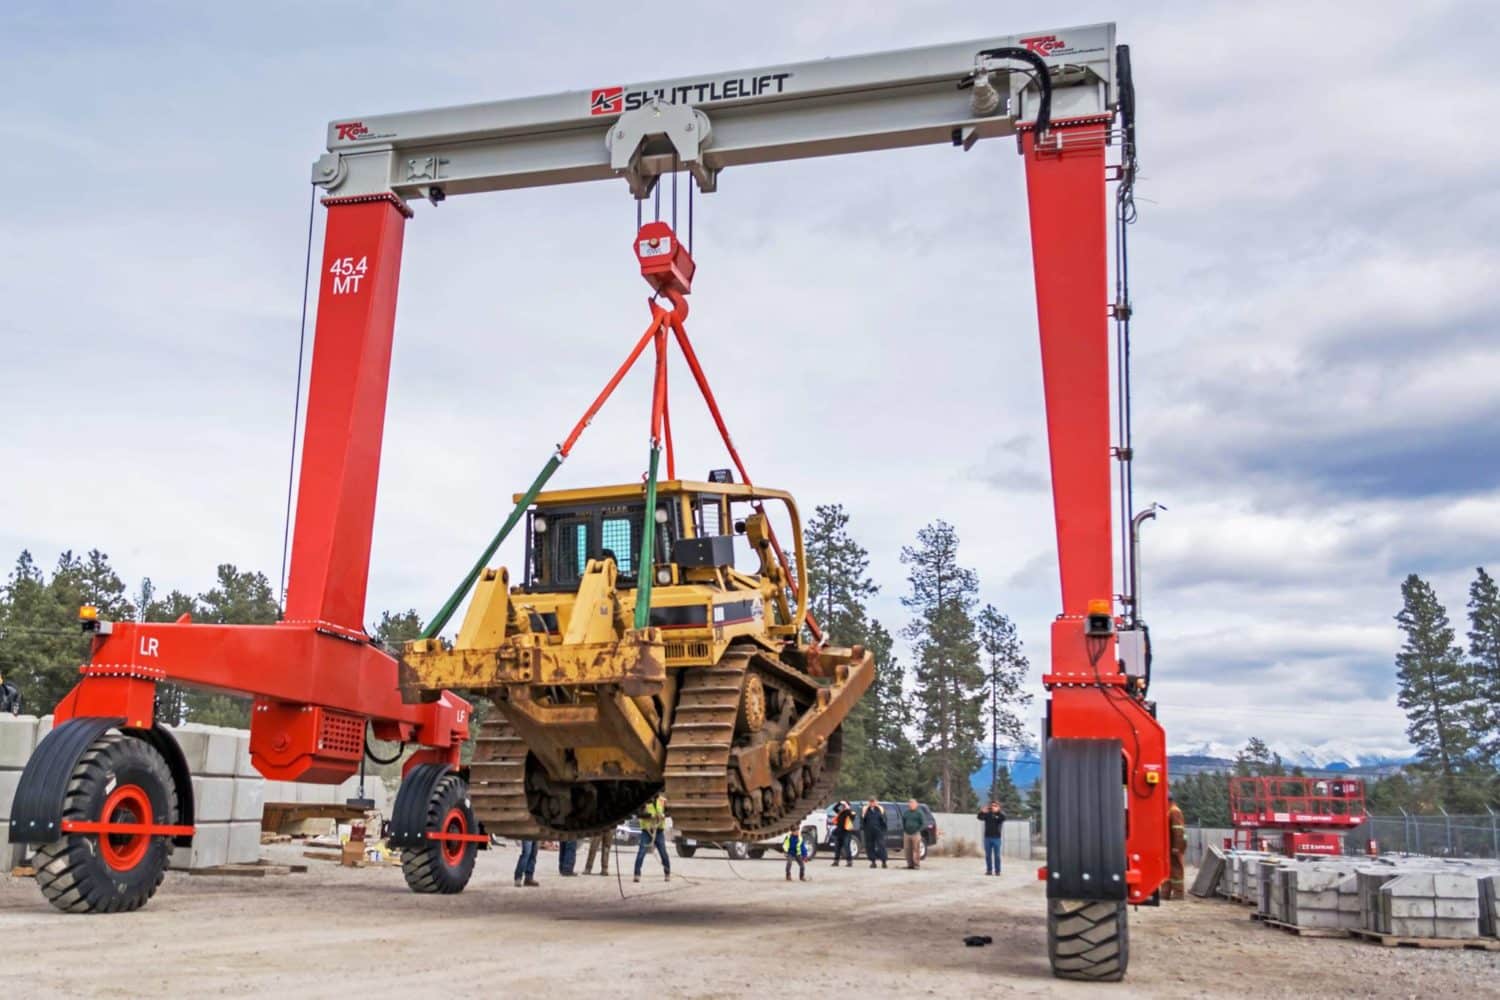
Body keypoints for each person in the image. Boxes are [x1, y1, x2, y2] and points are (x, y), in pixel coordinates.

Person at [634, 792, 671, 882]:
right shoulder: (644, 801)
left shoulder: (662, 801)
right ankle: (637, 874)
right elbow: (638, 814)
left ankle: (667, 873)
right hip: (647, 831)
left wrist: (663, 815)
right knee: (641, 852)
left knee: (663, 853)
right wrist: (650, 816)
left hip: (658, 831)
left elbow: (669, 812)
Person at [978, 800, 1007, 876]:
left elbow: (1003, 818)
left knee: (997, 855)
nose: (993, 807)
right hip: (987, 838)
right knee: (988, 855)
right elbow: (979, 817)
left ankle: (997, 871)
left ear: (998, 807)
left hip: (996, 838)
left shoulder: (1000, 815)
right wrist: (982, 812)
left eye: (995, 805)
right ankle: (989, 870)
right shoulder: (987, 814)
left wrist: (998, 812)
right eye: (992, 805)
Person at [1167, 795, 1187, 900]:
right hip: (1168, 846)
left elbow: (1178, 831)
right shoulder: (1169, 811)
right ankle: (1165, 893)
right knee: (1167, 870)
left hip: (1174, 846)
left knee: (1176, 870)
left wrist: (1176, 847)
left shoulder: (1174, 811)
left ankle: (1178, 894)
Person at [861, 798, 888, 868]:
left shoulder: (880, 809)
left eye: (873, 802)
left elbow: (884, 820)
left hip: (878, 831)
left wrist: (883, 830)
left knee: (881, 845)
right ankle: (873, 862)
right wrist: (863, 828)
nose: (872, 803)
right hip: (869, 831)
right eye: (871, 802)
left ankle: (884, 861)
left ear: (876, 802)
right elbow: (863, 820)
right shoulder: (866, 810)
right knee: (870, 846)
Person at [830, 800, 857, 867]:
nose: (843, 807)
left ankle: (849, 862)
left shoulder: (851, 812)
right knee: (837, 847)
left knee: (846, 847)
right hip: (839, 831)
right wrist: (839, 802)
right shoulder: (841, 812)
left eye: (844, 806)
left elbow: (851, 816)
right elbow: (835, 808)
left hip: (847, 832)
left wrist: (847, 807)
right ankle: (836, 861)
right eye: (843, 806)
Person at [901, 799, 926, 869]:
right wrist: (905, 829)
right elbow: (903, 821)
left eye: (912, 804)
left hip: (916, 834)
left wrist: (918, 830)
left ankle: (916, 864)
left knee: (916, 849)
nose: (911, 805)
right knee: (907, 849)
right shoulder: (906, 813)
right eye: (910, 804)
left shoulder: (919, 813)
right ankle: (910, 864)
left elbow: (923, 823)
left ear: (916, 805)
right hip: (907, 834)